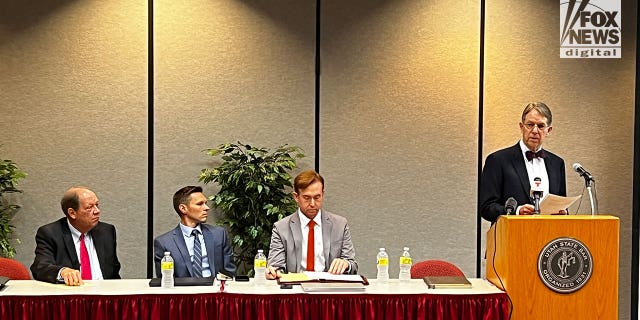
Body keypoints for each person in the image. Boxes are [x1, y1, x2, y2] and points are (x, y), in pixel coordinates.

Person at [479, 102, 567, 223]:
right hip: (512, 236)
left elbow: (561, 203)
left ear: (549, 130)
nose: (535, 130)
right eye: (530, 125)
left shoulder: (557, 164)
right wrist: (517, 211)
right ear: (521, 126)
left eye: (541, 126)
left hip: (549, 236)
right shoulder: (497, 160)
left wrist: (563, 212)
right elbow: (486, 208)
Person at [266, 170, 358, 279]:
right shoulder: (281, 228)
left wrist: (345, 264)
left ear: (323, 194)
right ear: (296, 197)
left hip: (329, 289)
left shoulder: (340, 225)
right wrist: (274, 272)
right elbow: (276, 266)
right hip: (296, 290)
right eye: (307, 198)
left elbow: (353, 265)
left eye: (317, 197)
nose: (312, 204)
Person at [30, 187, 121, 286]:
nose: (97, 211)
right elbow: (40, 267)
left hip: (105, 295)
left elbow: (113, 271)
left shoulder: (107, 231)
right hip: (71, 296)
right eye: (89, 207)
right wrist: (62, 272)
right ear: (72, 213)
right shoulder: (50, 233)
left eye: (97, 205)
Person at [153, 186, 236, 278]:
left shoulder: (219, 234)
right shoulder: (164, 243)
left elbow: (229, 271)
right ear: (183, 208)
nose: (207, 208)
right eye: (200, 204)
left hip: (214, 289)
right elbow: (165, 280)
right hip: (184, 290)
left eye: (206, 203)